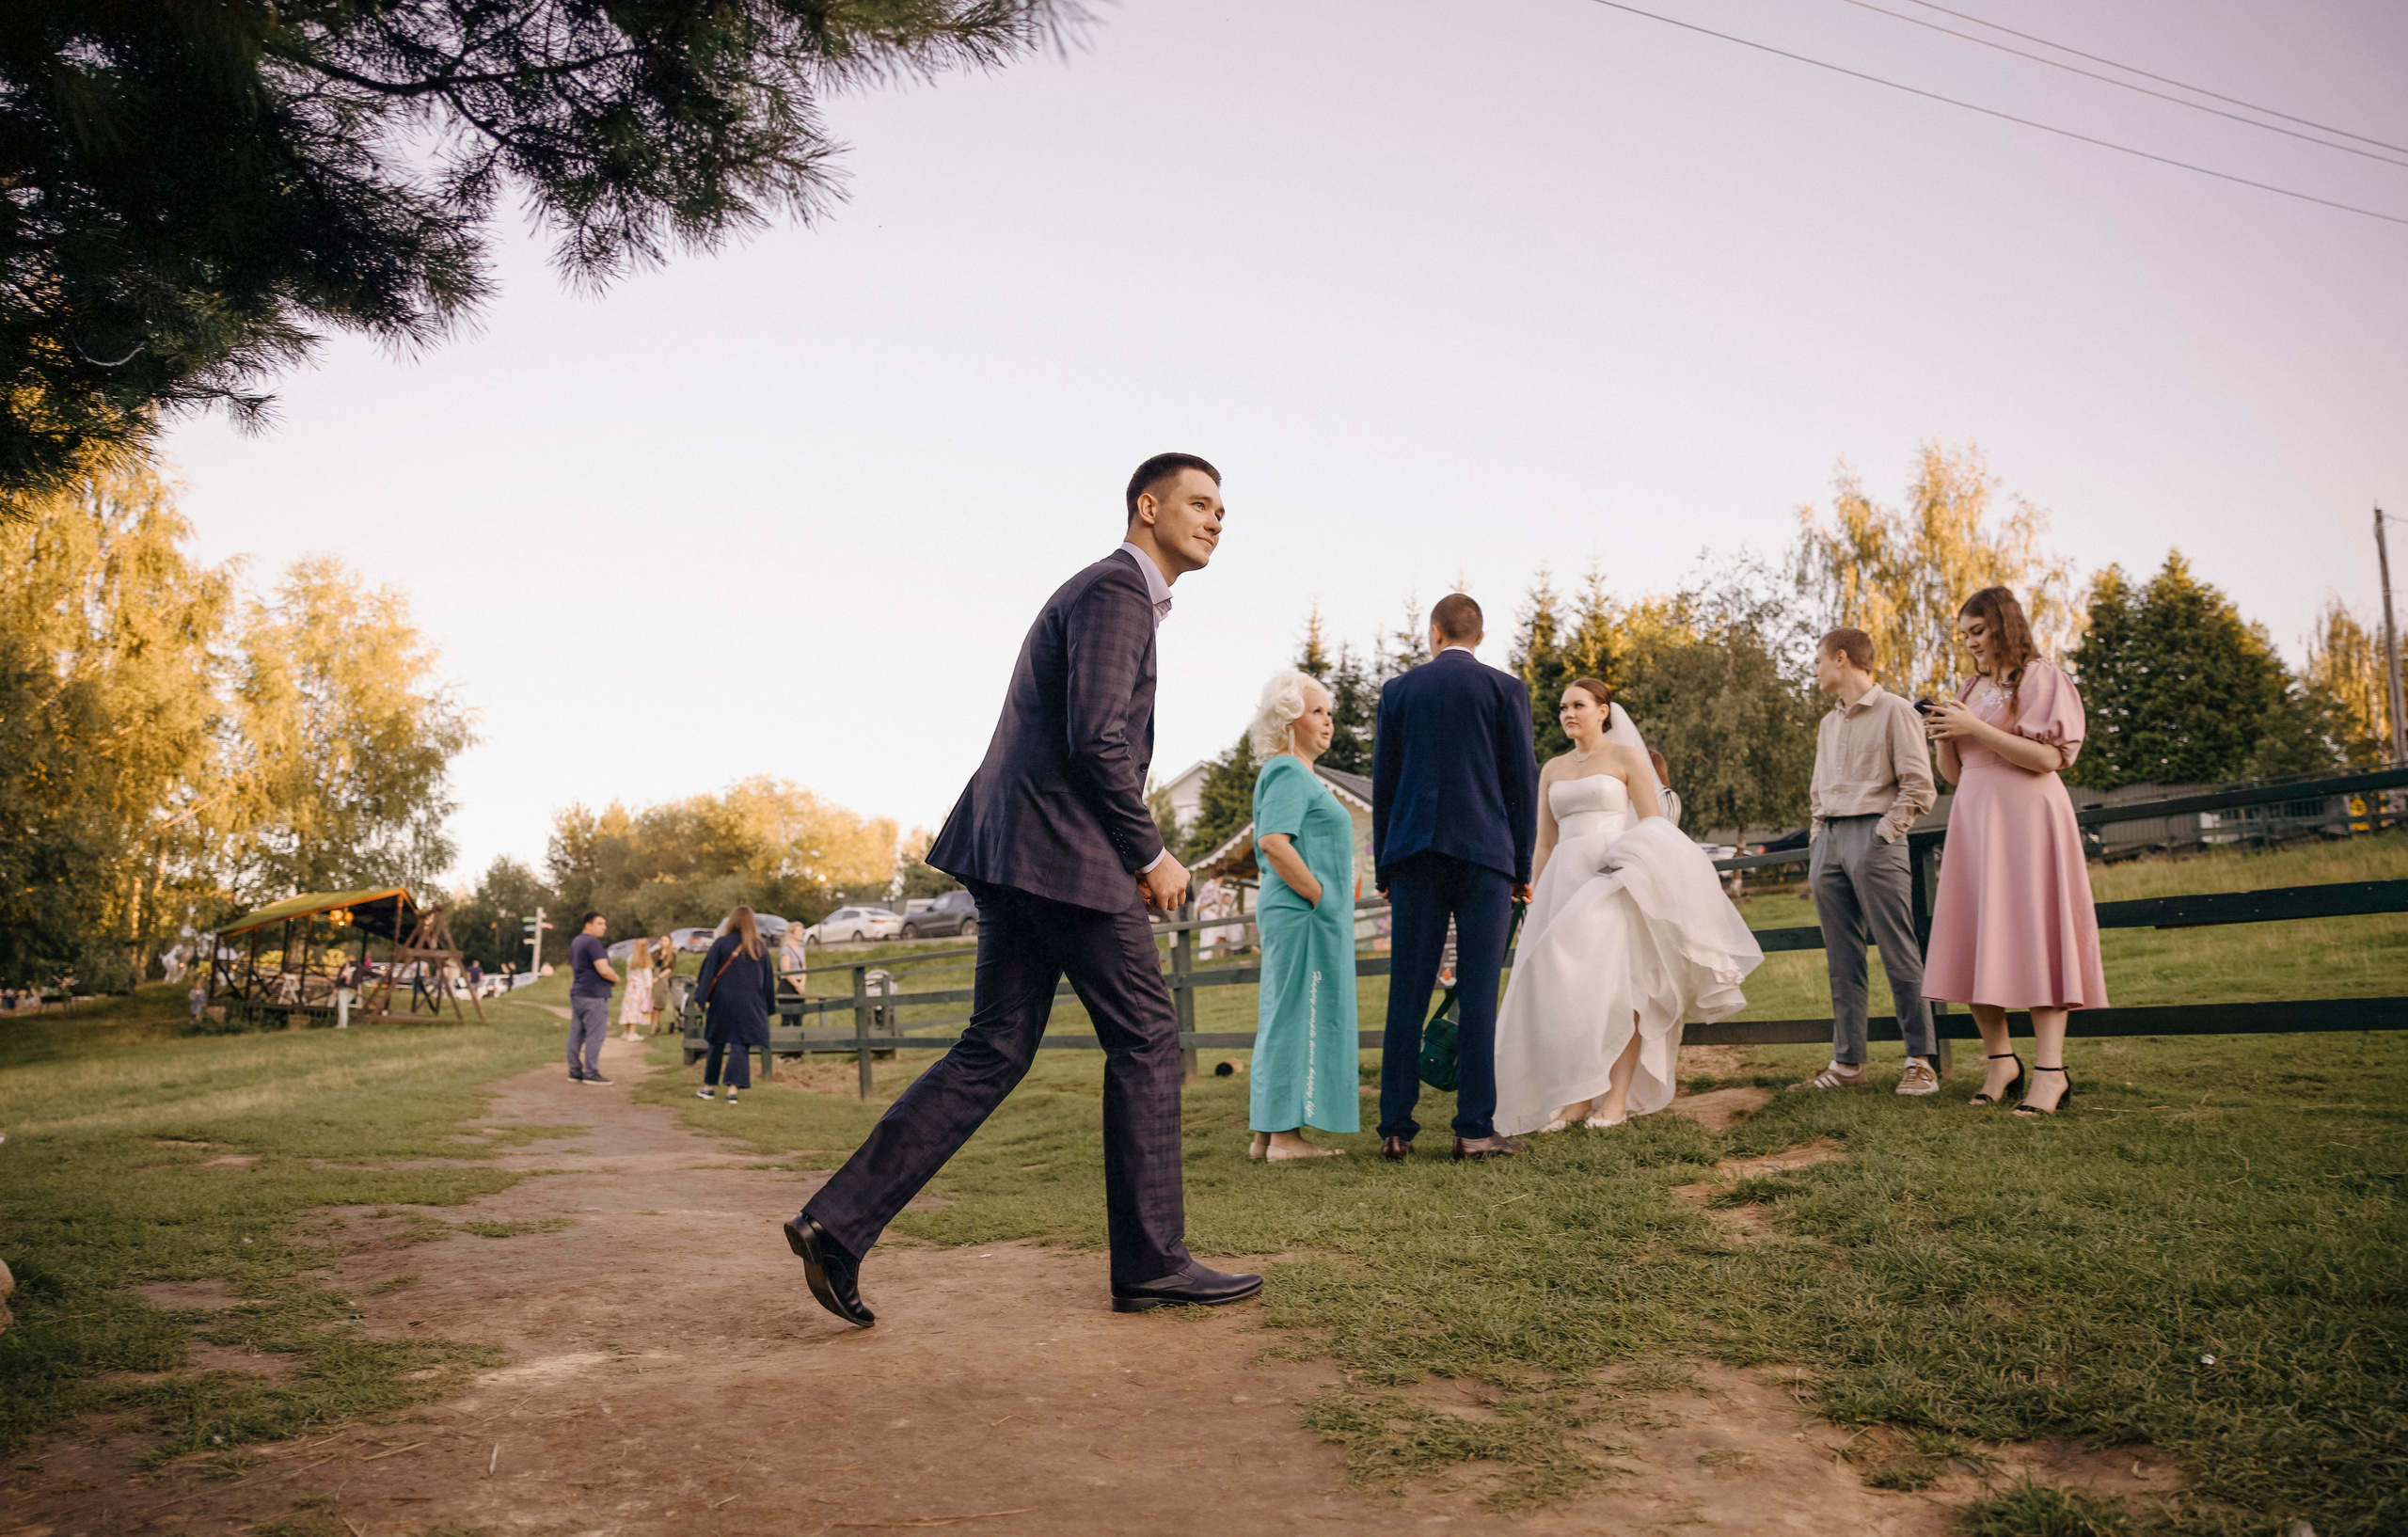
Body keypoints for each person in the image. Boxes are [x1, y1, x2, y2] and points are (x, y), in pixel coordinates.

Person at [784, 452, 1261, 1326]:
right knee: (1150, 1036)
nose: (1215, 519)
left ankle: (837, 1225)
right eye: (1199, 502)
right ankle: (1153, 1262)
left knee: (994, 1049)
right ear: (1147, 507)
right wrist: (1150, 853)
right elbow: (1096, 739)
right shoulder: (1119, 592)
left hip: (1014, 852)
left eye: (1222, 509)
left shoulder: (1103, 595)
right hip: (1065, 855)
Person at [1492, 680, 1763, 1136]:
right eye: (1563, 707)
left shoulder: (1625, 759)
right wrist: (1533, 893)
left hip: (1611, 882)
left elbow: (1654, 827)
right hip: (1562, 882)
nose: (1568, 714)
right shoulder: (1553, 769)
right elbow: (1545, 841)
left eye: (1578, 705)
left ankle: (1615, 1099)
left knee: (1620, 989)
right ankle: (1577, 1098)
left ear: (1603, 711)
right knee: (1569, 991)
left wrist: (1627, 871)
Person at [1924, 586, 2109, 1116]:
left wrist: (1974, 726)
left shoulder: (2041, 676)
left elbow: (2048, 758)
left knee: (2036, 935)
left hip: (2028, 818)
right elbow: (1957, 774)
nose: (1971, 644)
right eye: (1963, 636)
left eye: (1978, 632)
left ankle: (2051, 1073)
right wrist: (1944, 733)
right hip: (1976, 820)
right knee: (1974, 936)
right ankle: (2000, 1060)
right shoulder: (1971, 687)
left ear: (2005, 625)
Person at [1370, 592, 1541, 1162]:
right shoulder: (1505, 689)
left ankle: (1395, 1128)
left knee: (1407, 992)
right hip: (1486, 856)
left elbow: (1384, 784)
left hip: (1415, 853)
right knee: (1477, 992)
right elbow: (1521, 782)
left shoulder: (1399, 691)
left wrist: (1385, 866)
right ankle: (1473, 1128)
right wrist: (1521, 866)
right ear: (1479, 637)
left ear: (1435, 632)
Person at [1800, 627, 1942, 1096]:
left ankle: (1920, 1060)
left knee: (1899, 951)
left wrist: (1883, 833)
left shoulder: (1896, 711)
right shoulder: (1827, 724)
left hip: (1876, 838)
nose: (1815, 670)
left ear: (1841, 659)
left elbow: (1920, 786)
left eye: (1818, 660)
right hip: (1830, 842)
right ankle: (1848, 1065)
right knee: (1842, 961)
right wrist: (1820, 838)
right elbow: (1819, 791)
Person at [1245, 670, 1359, 1162]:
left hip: (1298, 912)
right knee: (1296, 1014)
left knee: (1282, 1013)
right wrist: (1319, 893)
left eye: (1329, 713)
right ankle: (1285, 1140)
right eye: (1317, 712)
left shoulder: (1296, 772)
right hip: (1301, 912)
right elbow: (1274, 841)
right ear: (1288, 719)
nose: (1328, 722)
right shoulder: (1289, 771)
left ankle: (1267, 1134)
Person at [695, 909, 776, 1104]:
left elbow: (707, 974)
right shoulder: (759, 947)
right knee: (740, 1044)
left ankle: (709, 1087)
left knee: (717, 1041)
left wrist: (700, 999)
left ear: (732, 921)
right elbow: (767, 981)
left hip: (722, 1001)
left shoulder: (721, 944)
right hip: (750, 1003)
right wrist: (769, 1007)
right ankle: (733, 1090)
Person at [566, 912, 618, 1085]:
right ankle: (591, 1072)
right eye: (600, 923)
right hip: (594, 994)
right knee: (595, 1034)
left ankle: (575, 1071)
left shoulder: (577, 941)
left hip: (578, 992)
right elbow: (603, 969)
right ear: (588, 925)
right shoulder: (592, 942)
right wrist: (616, 978)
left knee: (577, 1033)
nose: (604, 927)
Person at [619, 937, 657, 1041]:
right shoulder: (645, 961)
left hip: (630, 987)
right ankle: (632, 1033)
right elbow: (648, 979)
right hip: (640, 989)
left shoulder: (631, 958)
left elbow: (628, 975)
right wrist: (649, 994)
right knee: (636, 1010)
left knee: (628, 1009)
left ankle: (625, 1032)